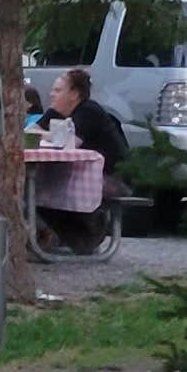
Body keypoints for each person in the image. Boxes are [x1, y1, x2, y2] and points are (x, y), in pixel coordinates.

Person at [31, 67, 133, 253]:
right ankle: (67, 237)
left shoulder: (88, 110)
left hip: (114, 177)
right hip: (82, 176)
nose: (51, 94)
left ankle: (80, 235)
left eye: (58, 90)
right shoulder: (56, 112)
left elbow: (69, 142)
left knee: (51, 187)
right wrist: (43, 133)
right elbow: (30, 132)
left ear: (74, 94)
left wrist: (44, 135)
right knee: (42, 186)